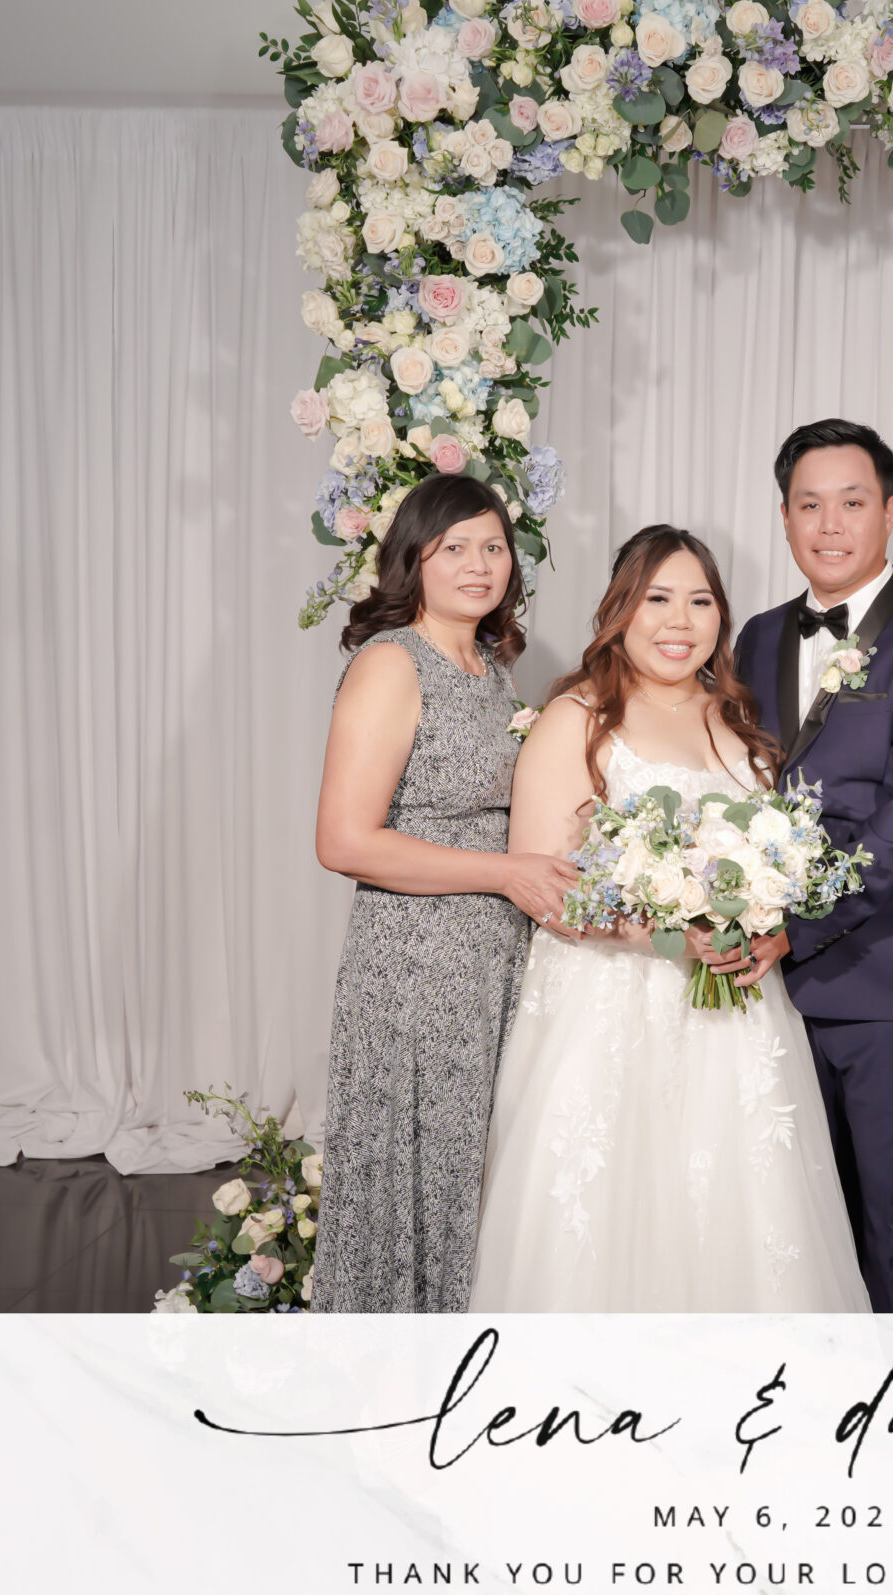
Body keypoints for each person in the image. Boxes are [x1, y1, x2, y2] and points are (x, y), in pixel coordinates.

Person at [469, 525, 869, 1312]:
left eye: (700, 601)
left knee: (740, 1217)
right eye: (657, 599)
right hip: (608, 1012)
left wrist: (760, 913)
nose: (679, 621)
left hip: (737, 1018)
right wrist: (667, 934)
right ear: (620, 608)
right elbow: (544, 889)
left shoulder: (739, 719)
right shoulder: (577, 718)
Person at [733, 420, 893, 1313]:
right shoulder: (755, 636)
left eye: (852, 502)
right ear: (784, 516)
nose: (830, 524)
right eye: (810, 504)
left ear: (889, 511)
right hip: (771, 993)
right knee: (795, 1230)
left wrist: (792, 924)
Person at [308, 474, 577, 1313]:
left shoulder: (493, 667)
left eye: (493, 546)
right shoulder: (392, 662)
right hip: (417, 965)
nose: (479, 563)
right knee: (416, 1179)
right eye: (454, 547)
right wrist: (505, 872)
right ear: (413, 560)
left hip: (492, 959)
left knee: (473, 1175)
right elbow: (343, 840)